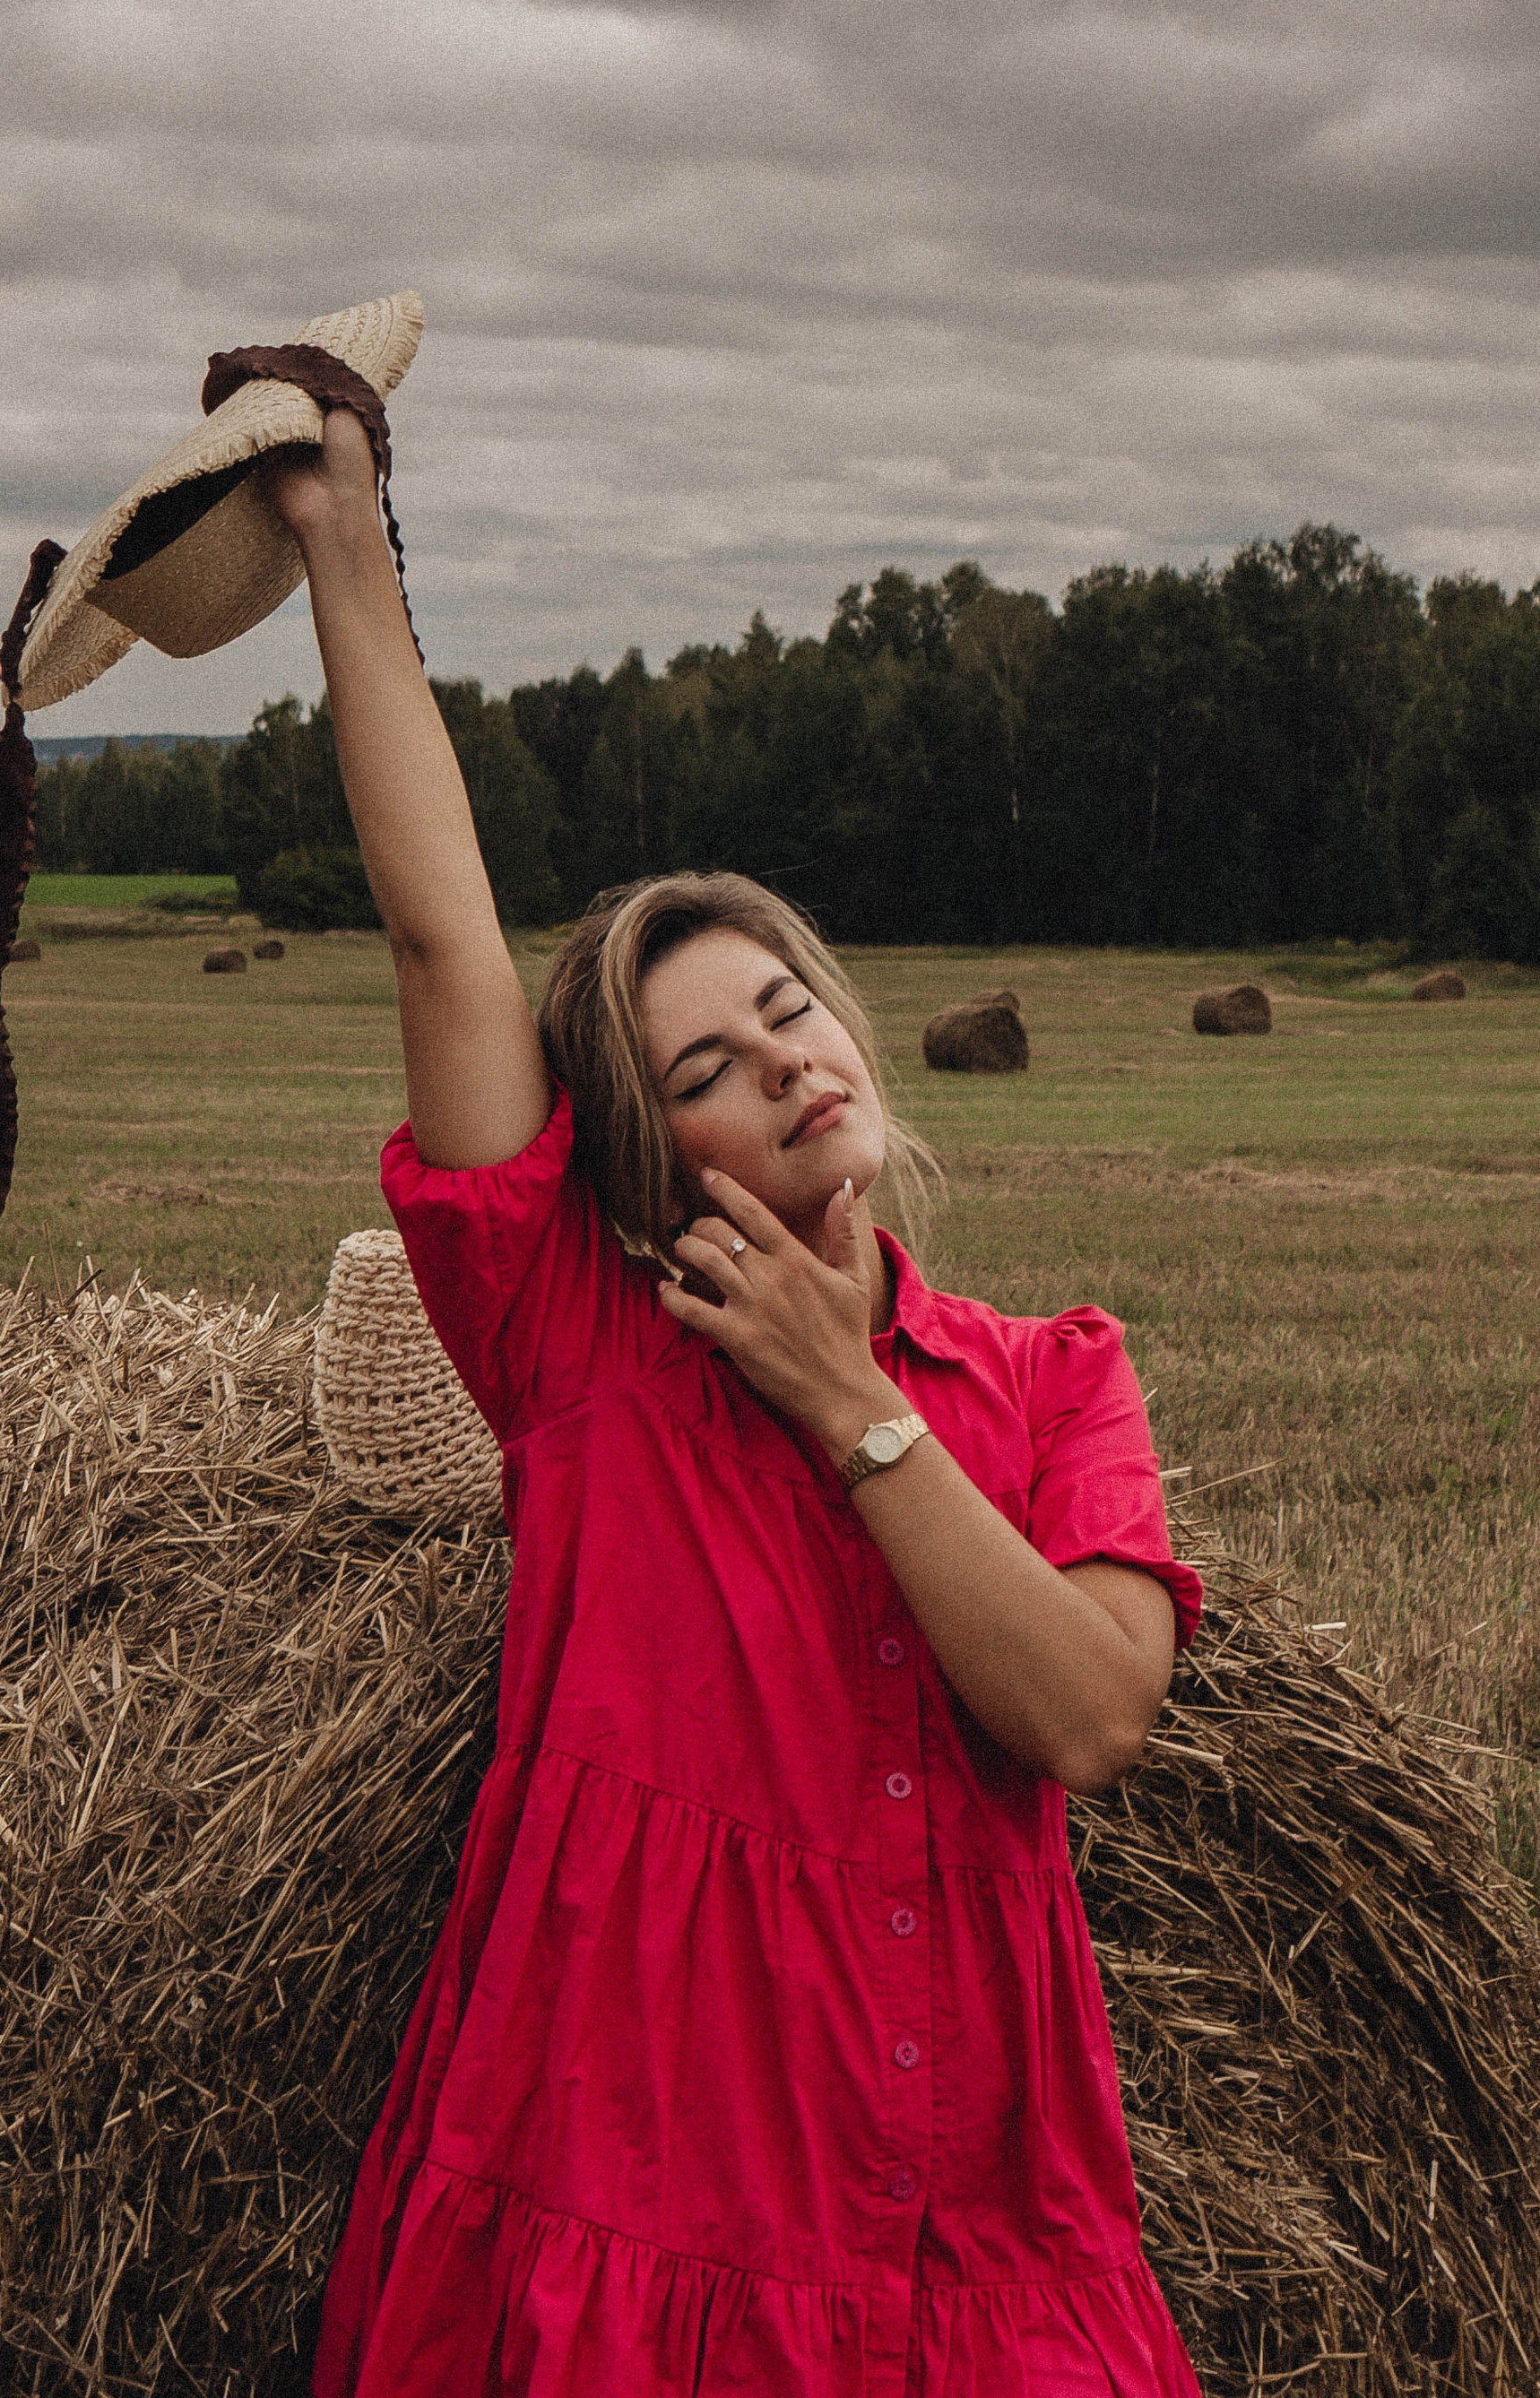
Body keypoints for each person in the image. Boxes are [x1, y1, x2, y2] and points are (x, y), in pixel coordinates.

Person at [278, 418, 1205, 2398]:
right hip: (628, 2229)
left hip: (976, 2243)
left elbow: (1087, 1713)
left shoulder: (1055, 1380)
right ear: (641, 1160)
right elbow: (441, 929)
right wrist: (343, 535)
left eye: (789, 1011)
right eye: (703, 1069)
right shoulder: (577, 1359)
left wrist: (845, 1400)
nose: (783, 1063)